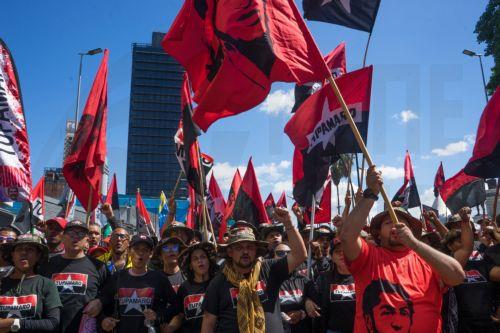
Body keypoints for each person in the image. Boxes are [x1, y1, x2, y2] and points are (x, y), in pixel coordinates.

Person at [340, 166, 465, 332]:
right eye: (388, 222)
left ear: (411, 232)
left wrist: (414, 244)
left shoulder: (427, 258)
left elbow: (457, 276)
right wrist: (371, 193)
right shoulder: (368, 257)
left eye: (402, 223)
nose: (396, 225)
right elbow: (347, 236)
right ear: (377, 233)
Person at [201, 207, 307, 333]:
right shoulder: (218, 282)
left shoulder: (269, 269)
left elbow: (300, 255)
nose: (245, 251)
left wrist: (288, 224)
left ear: (256, 250)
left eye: (250, 247)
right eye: (239, 247)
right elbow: (208, 322)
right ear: (230, 252)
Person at [93, 234, 180, 333]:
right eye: (136, 249)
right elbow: (101, 303)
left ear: (150, 254)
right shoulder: (117, 277)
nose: (140, 253)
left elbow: (176, 305)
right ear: (129, 252)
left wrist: (159, 315)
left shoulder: (159, 279)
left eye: (145, 250)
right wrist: (103, 320)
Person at [39, 220, 109, 333]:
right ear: (62, 237)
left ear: (87, 239)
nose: (75, 237)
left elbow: (110, 293)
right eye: (71, 233)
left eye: (80, 234)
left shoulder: (99, 267)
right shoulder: (47, 265)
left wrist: (100, 301)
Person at [443, 207, 500, 332]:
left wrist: (497, 236)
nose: (463, 241)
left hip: (489, 321)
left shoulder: (484, 257)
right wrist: (465, 222)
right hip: (462, 323)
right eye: (459, 240)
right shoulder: (449, 263)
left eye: (465, 234)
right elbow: (466, 247)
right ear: (449, 245)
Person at [0, 234, 62, 332]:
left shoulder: (47, 284)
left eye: (30, 249)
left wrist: (14, 323)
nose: (24, 252)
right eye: (19, 249)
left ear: (38, 256)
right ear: (12, 255)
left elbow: (53, 323)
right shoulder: (1, 283)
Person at [164, 242, 218, 333]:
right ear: (191, 266)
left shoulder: (218, 284)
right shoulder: (184, 288)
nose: (200, 261)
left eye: (203, 257)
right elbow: (180, 315)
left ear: (209, 260)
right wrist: (170, 328)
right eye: (195, 259)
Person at [273, 242, 315, 333]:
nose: (285, 256)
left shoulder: (304, 281)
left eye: (289, 253)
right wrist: (281, 316)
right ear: (273, 257)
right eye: (280, 253)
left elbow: (319, 305)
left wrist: (301, 312)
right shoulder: (267, 281)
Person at [315, 239, 356, 333]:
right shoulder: (323, 279)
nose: (342, 254)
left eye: (346, 250)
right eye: (337, 252)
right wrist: (307, 301)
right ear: (332, 257)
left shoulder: (363, 276)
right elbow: (315, 300)